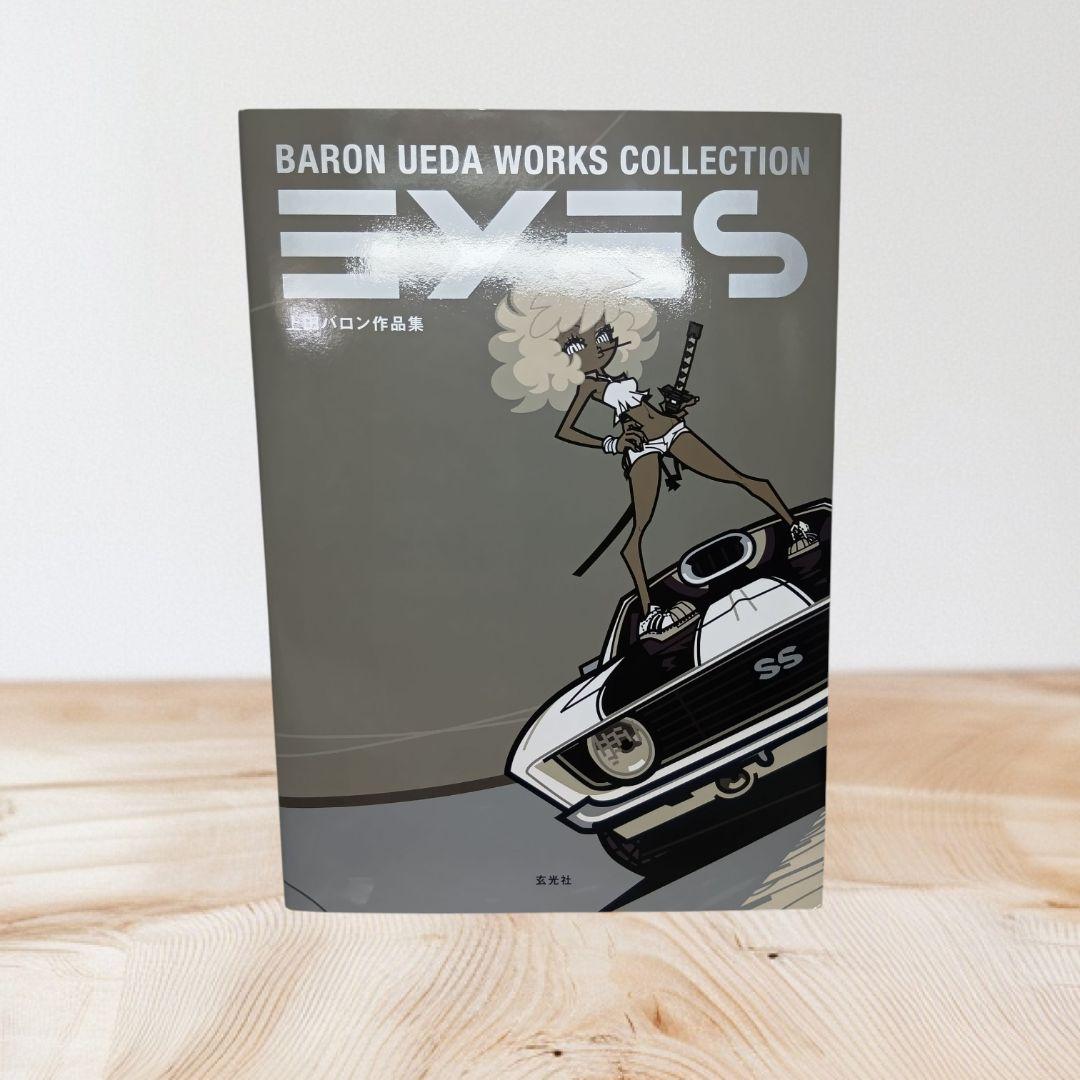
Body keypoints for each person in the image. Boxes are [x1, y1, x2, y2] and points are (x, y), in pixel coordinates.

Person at [489, 292, 813, 642]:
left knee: (739, 477)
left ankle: (796, 527)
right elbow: (565, 429)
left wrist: (675, 408)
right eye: (578, 344)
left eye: (602, 335)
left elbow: (645, 410)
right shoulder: (590, 386)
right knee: (640, 529)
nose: (598, 347)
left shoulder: (616, 378)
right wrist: (612, 444)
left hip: (670, 430)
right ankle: (650, 613)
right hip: (640, 448)